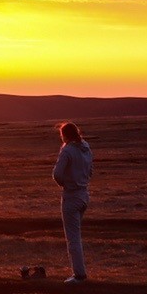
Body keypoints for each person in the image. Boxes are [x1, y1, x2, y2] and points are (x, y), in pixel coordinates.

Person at [52, 121, 93, 284]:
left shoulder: (67, 150)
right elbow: (90, 171)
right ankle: (79, 272)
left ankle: (79, 274)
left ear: (65, 135)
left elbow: (57, 174)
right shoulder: (86, 148)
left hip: (71, 196)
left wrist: (66, 184)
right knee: (76, 234)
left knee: (73, 237)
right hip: (84, 194)